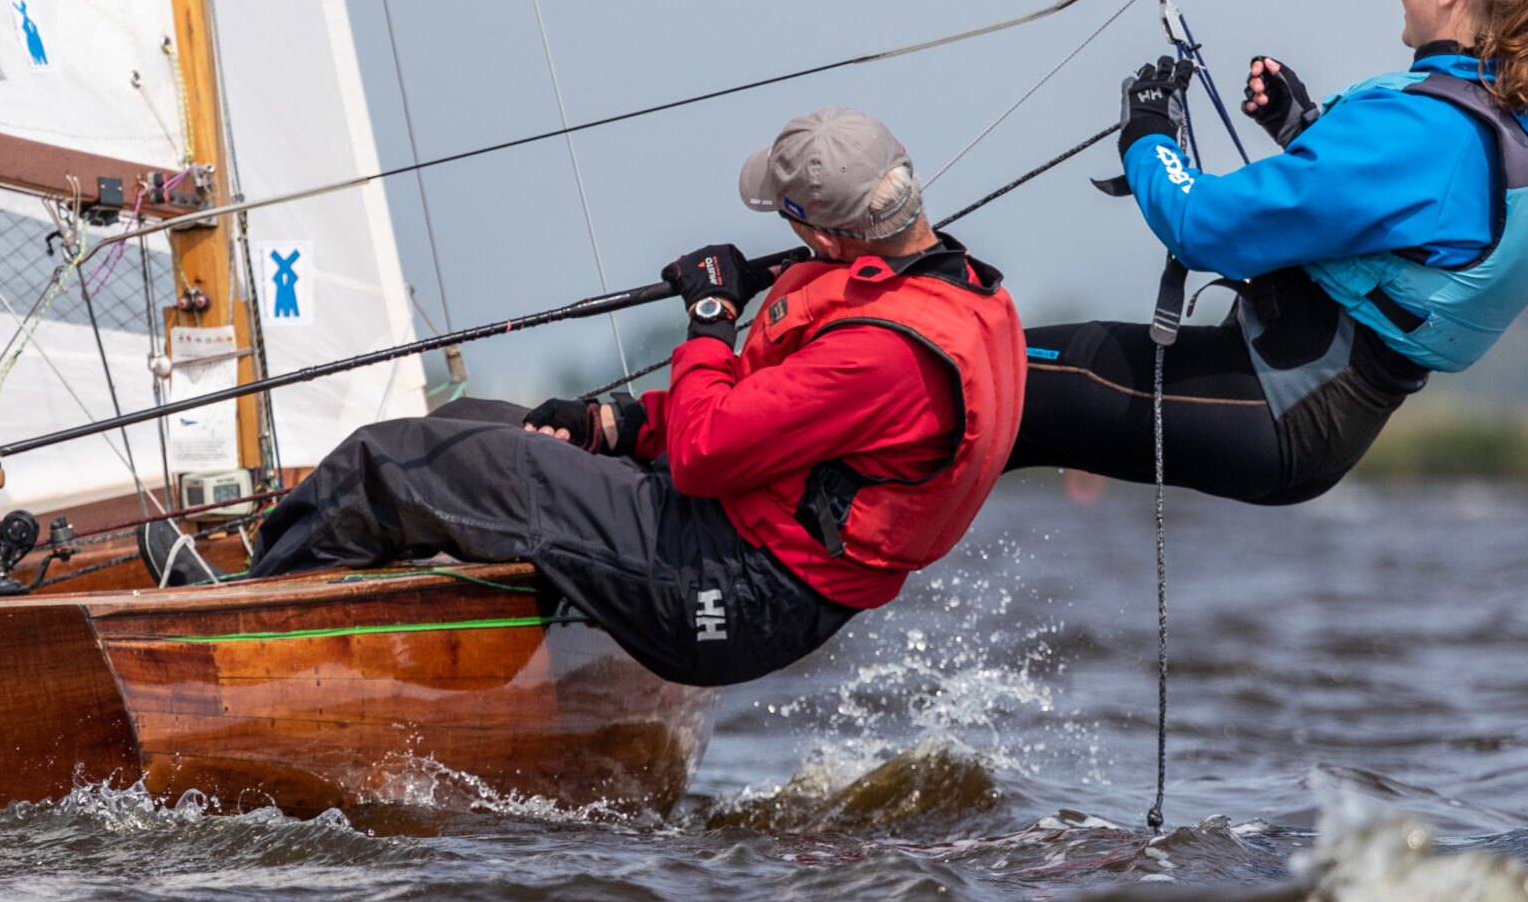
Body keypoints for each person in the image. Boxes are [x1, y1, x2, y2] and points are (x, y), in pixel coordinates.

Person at [245, 107, 1027, 687]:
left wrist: (710, 318)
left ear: (826, 238)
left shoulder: (881, 352)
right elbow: (768, 423)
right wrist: (613, 425)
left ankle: (238, 641)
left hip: (730, 586)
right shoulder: (950, 292)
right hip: (734, 543)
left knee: (391, 462)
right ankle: (369, 640)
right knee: (460, 428)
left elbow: (704, 453)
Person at [1009, 0, 1528, 503]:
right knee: (1012, 414)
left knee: (993, 369)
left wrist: (1148, 137)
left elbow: (1201, 226)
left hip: (1276, 401)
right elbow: (1415, 219)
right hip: (1320, 414)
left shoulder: (1425, 132)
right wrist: (1303, 130)